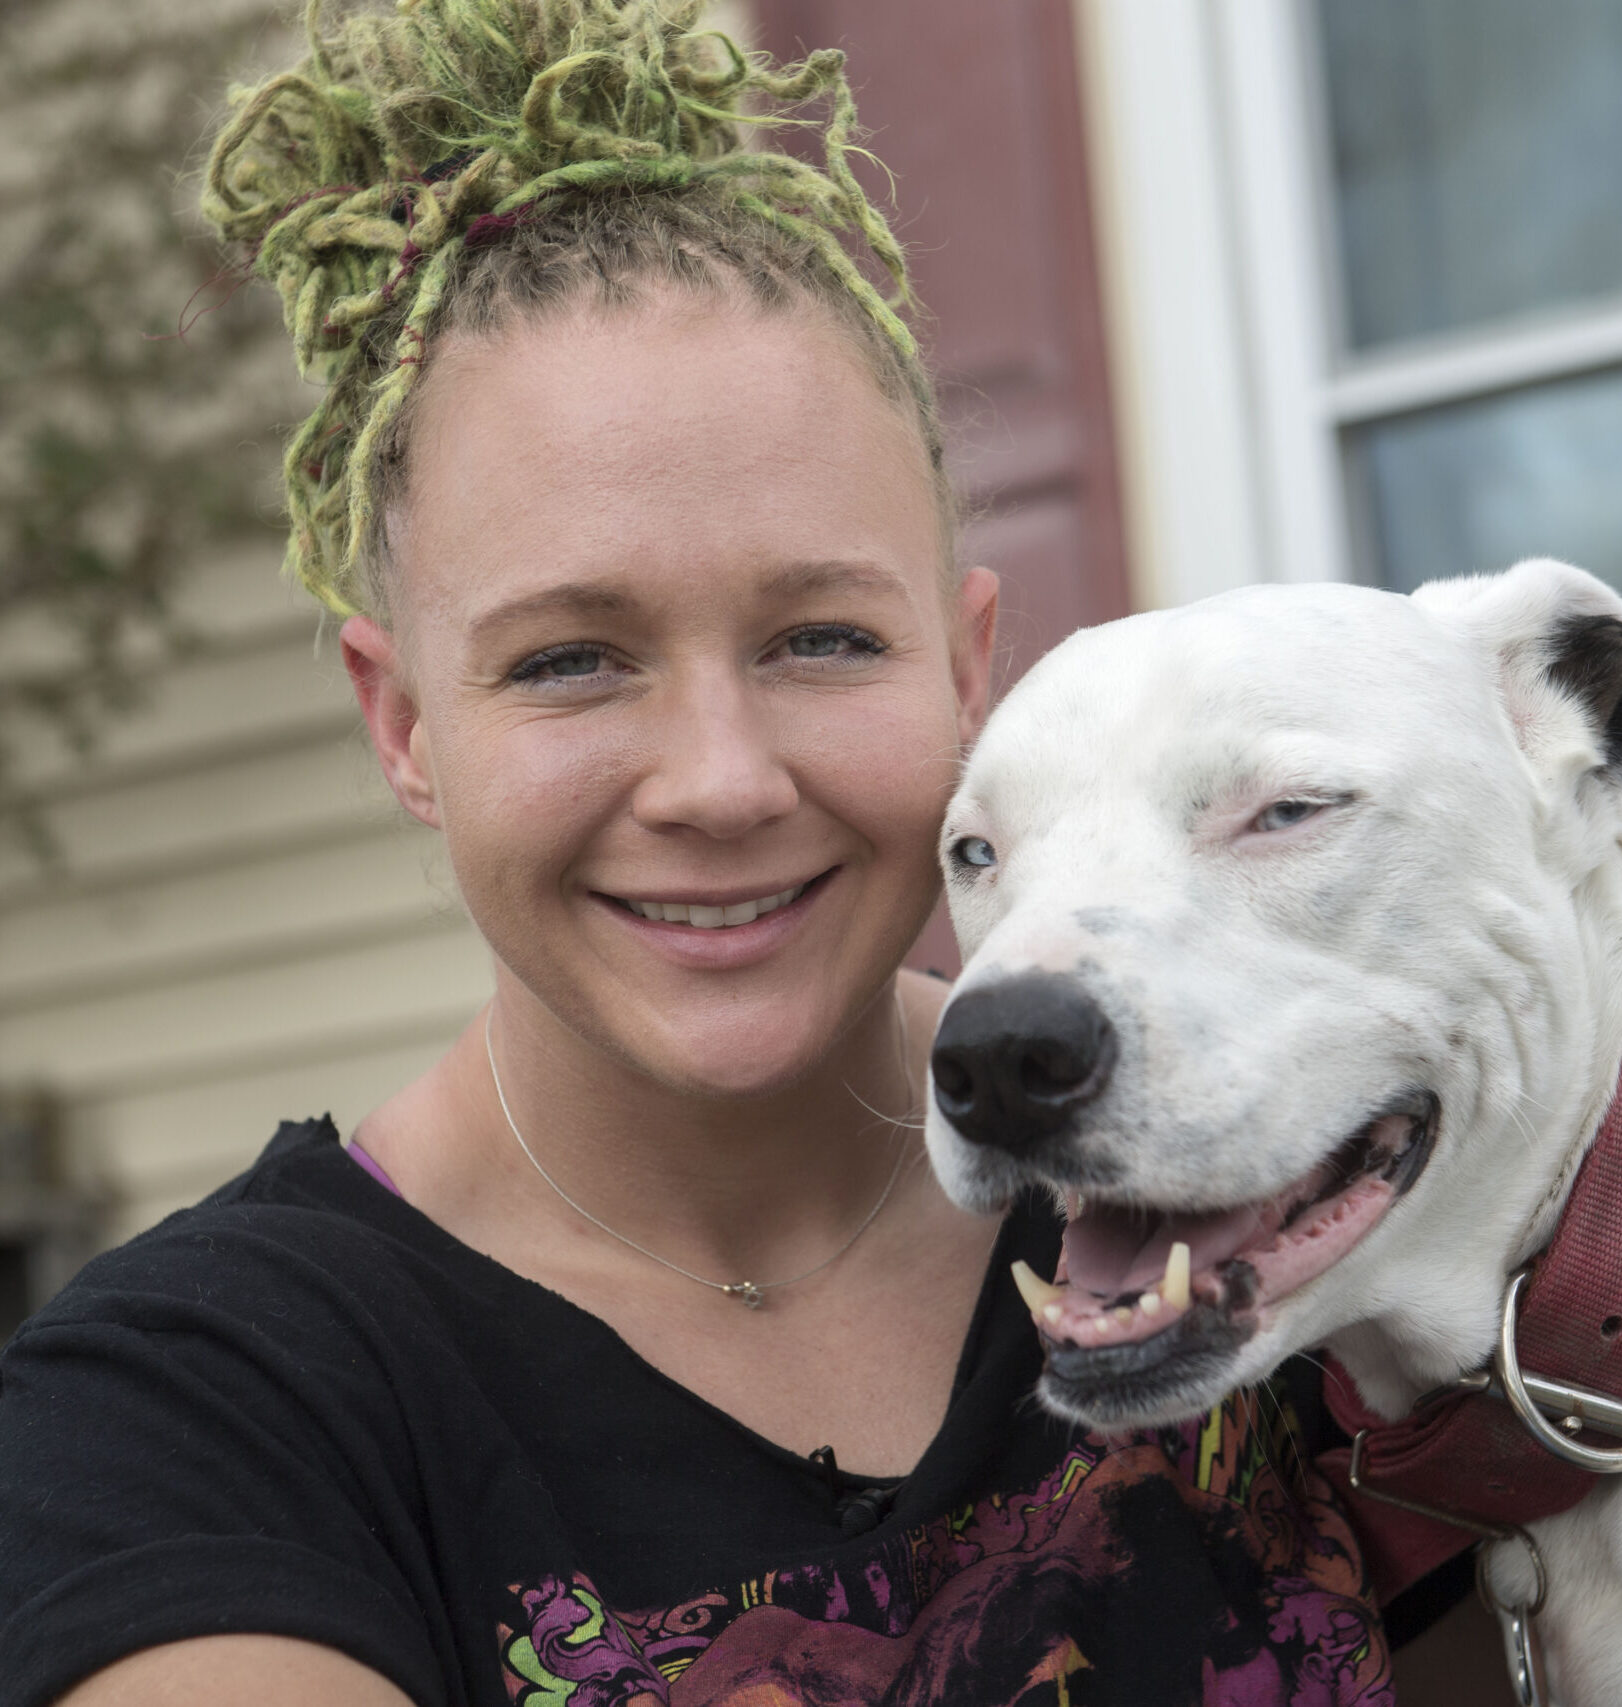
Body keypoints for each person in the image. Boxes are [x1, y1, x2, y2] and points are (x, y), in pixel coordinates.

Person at [0, 3, 1490, 1702]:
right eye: (571, 660)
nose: (718, 780)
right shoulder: (193, 1412)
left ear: (965, 666)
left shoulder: (1280, 1153)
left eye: (822, 642)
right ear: (403, 722)